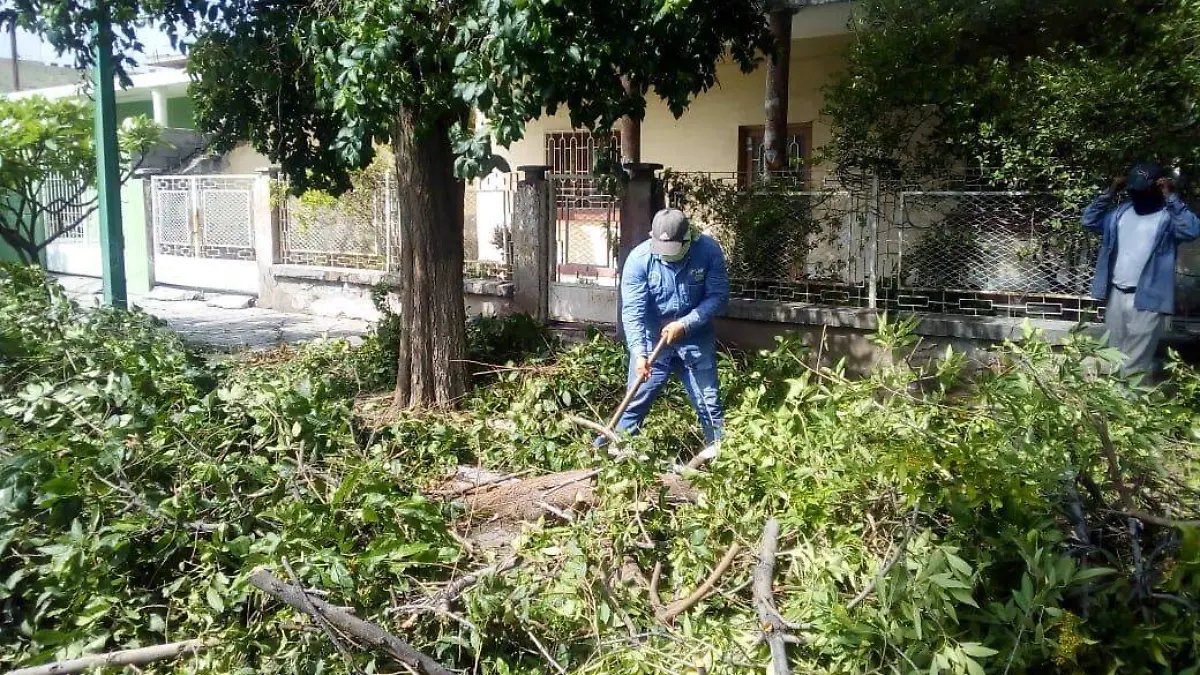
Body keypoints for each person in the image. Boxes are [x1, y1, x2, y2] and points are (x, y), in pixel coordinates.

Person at [599, 208, 730, 449]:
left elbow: (718, 296)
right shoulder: (639, 260)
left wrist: (685, 323)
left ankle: (722, 462)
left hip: (695, 340)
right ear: (653, 237)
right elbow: (633, 312)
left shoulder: (708, 251)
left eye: (674, 249)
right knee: (634, 402)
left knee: (709, 404)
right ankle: (612, 457)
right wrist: (639, 354)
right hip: (652, 342)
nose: (667, 255)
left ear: (688, 238)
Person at [1082, 162, 1200, 378]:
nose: (1138, 195)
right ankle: (1113, 405)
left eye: (1143, 190)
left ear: (1157, 188)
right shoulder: (1120, 213)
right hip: (1116, 293)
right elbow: (1089, 220)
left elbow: (1192, 230)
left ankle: (1130, 406)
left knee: (1135, 361)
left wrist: (1171, 197)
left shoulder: (1168, 219)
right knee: (1114, 355)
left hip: (1148, 297)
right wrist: (1109, 192)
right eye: (1134, 191)